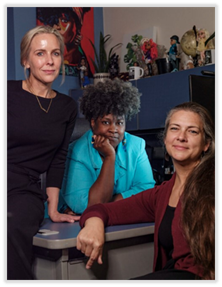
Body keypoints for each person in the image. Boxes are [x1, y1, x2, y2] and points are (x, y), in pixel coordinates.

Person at [76, 102, 215, 280]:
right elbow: (102, 209)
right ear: (165, 139)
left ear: (206, 144)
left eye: (192, 131)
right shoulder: (161, 194)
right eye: (175, 129)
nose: (181, 137)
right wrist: (93, 223)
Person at [7, 25, 80, 280]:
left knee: (10, 225)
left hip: (23, 190)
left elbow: (59, 159)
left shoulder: (67, 107)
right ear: (26, 60)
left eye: (56, 53)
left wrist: (53, 209)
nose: (49, 61)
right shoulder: (6, 92)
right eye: (40, 53)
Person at [57, 78, 156, 216]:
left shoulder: (136, 145)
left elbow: (147, 190)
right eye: (106, 122)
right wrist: (110, 157)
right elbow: (86, 206)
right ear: (93, 123)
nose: (114, 129)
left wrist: (111, 202)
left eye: (120, 122)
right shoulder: (77, 152)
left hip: (119, 221)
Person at [36, 7, 92, 76]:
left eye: (64, 21)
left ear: (77, 25)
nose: (57, 27)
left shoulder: (80, 59)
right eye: (55, 21)